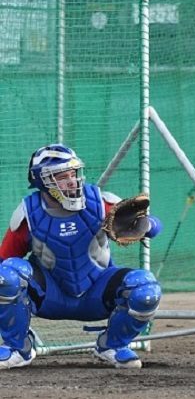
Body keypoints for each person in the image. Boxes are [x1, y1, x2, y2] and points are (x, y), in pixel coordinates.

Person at [0, 144, 163, 369]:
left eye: (73, 174)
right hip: (50, 294)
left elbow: (152, 225)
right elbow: (5, 259)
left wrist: (148, 225)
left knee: (146, 289)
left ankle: (112, 345)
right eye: (62, 176)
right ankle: (18, 348)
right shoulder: (28, 213)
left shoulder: (100, 202)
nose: (72, 181)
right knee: (6, 275)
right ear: (43, 181)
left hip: (97, 291)